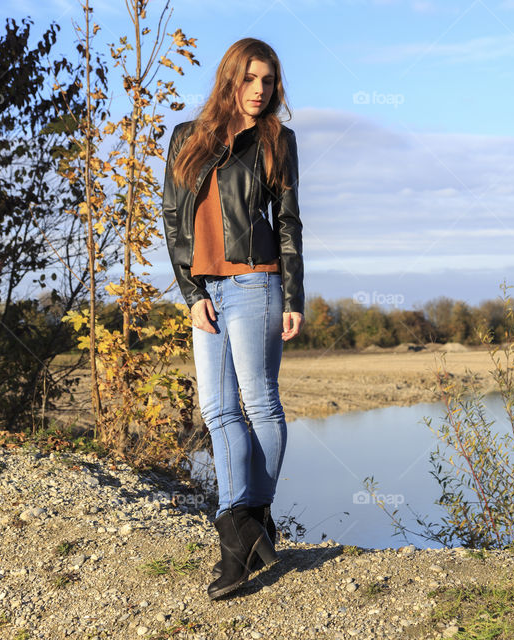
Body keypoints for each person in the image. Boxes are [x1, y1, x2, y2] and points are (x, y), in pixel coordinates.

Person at [161, 37, 304, 600]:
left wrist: (293, 294)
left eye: (268, 81)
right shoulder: (186, 138)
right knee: (218, 411)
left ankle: (238, 529)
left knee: (259, 402)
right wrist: (189, 290)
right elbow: (173, 217)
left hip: (257, 281)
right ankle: (250, 527)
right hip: (208, 289)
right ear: (230, 79)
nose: (260, 90)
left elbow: (289, 221)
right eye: (250, 79)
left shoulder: (278, 140)